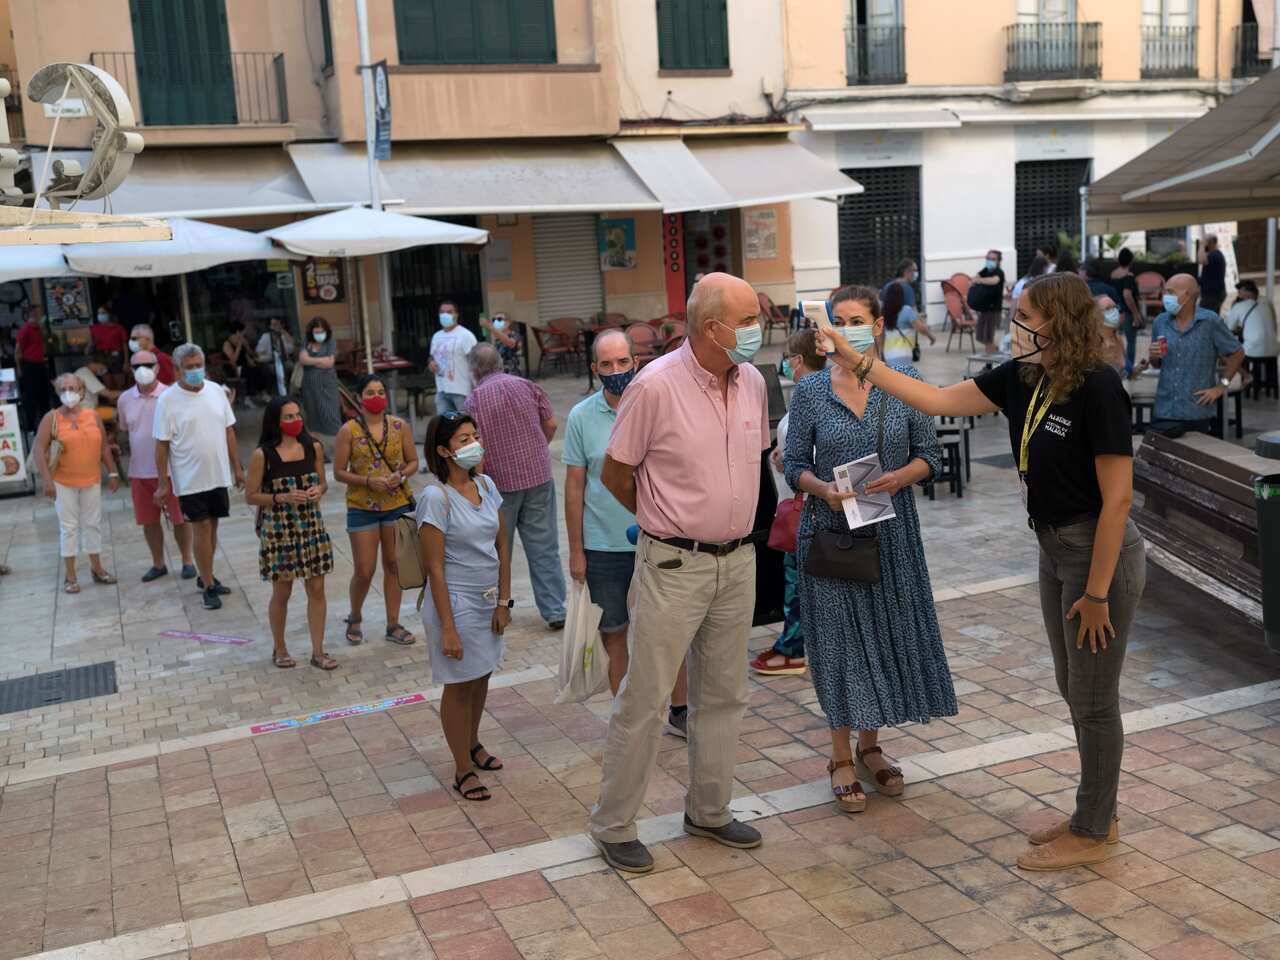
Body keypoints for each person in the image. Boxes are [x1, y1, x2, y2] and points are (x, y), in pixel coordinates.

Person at [816, 272, 1146, 871]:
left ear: (1058, 323)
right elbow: (939, 400)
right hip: (1053, 550)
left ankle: (1095, 829)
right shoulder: (1026, 378)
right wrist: (856, 362)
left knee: (1095, 700)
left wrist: (1098, 592)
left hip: (1098, 555)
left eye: (1026, 315)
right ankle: (1094, 810)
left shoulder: (1098, 388)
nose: (1016, 325)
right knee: (1075, 690)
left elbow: (1118, 502)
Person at [588, 272, 769, 874]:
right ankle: (614, 825)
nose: (755, 330)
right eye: (746, 320)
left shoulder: (755, 383)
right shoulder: (654, 386)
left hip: (737, 560)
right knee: (646, 697)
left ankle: (710, 810)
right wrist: (662, 521)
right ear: (710, 326)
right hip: (672, 562)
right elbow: (617, 473)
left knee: (724, 694)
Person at [786, 286, 954, 814]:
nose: (844, 328)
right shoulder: (812, 390)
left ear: (878, 326)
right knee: (838, 645)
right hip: (829, 534)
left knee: (883, 638)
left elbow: (932, 456)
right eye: (837, 320)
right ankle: (839, 755)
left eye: (856, 320)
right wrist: (823, 491)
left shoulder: (907, 385)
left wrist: (898, 478)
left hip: (892, 533)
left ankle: (870, 747)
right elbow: (792, 466)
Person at [563, 330, 690, 729]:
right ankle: (627, 719)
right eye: (606, 364)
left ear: (635, 361)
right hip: (604, 545)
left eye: (622, 362)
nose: (616, 371)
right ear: (594, 369)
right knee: (615, 632)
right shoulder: (581, 417)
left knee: (668, 634)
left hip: (661, 538)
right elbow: (574, 486)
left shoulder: (659, 402)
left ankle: (680, 709)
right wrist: (577, 550)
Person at [416, 413, 512, 801]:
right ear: (443, 450)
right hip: (455, 604)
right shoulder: (434, 498)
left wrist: (505, 601)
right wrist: (449, 627)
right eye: (463, 439)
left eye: (475, 435)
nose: (474, 443)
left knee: (481, 676)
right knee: (458, 685)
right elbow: (435, 569)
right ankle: (461, 769)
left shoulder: (486, 485)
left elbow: (503, 546)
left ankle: (471, 743)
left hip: (488, 599)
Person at [464, 344, 566, 630]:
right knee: (544, 547)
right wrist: (537, 448)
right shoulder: (528, 386)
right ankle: (555, 609)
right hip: (538, 477)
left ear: (474, 370)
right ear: (500, 363)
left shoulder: (473, 401)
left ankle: (497, 608)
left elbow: (474, 446)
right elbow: (551, 424)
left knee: (497, 551)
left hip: (499, 486)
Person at [751, 329, 826, 677]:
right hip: (804, 503)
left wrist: (789, 461)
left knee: (797, 580)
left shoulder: (809, 396)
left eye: (787, 355)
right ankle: (797, 643)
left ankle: (793, 648)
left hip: (805, 507)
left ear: (796, 360)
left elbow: (818, 451)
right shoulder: (823, 389)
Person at [245, 397, 337, 671]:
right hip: (279, 531)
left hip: (311, 526)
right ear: (276, 421)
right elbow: (251, 496)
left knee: (317, 588)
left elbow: (322, 483)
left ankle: (318, 650)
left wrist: (317, 491)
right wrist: (281, 497)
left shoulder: (313, 447)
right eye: (288, 416)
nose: (295, 420)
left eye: (297, 414)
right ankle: (280, 647)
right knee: (282, 590)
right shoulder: (263, 454)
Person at [153, 344, 246, 610]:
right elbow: (162, 445)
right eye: (189, 367)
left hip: (217, 474)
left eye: (198, 366)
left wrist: (237, 468)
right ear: (177, 369)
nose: (195, 372)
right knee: (201, 527)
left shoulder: (216, 391)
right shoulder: (167, 401)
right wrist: (162, 482)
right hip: (189, 478)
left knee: (213, 526)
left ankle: (207, 574)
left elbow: (229, 431)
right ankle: (207, 585)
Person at [333, 374, 419, 646]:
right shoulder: (349, 430)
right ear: (359, 398)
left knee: (394, 565)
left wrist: (401, 476)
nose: (376, 397)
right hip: (362, 507)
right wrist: (368, 481)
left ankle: (393, 623)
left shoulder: (399, 425)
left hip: (396, 504)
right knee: (364, 569)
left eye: (380, 391)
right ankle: (355, 615)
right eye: (370, 392)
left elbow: (413, 461)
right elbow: (338, 472)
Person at [34, 373, 120, 593]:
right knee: (69, 528)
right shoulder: (51, 418)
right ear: (58, 393)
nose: (68, 393)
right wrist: (47, 481)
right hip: (63, 481)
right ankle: (70, 576)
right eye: (63, 389)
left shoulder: (93, 415)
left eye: (72, 388)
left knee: (93, 523)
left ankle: (97, 568)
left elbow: (103, 447)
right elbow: (39, 450)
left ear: (82, 392)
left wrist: (112, 472)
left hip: (91, 479)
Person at [117, 350, 196, 582]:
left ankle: (187, 561)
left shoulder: (172, 395)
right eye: (137, 365)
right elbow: (125, 429)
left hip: (173, 471)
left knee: (180, 518)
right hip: (140, 472)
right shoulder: (124, 399)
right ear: (130, 370)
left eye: (148, 364)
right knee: (149, 521)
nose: (143, 369)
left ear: (158, 367)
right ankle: (158, 563)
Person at [1149, 273, 1246, 436]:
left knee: (1195, 457)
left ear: (1187, 295)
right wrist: (1154, 356)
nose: (1165, 296)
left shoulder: (1210, 321)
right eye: (1165, 291)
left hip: (1197, 410)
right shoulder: (1160, 322)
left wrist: (1221, 386)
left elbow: (1237, 353)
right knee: (1161, 458)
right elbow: (1156, 363)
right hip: (1164, 410)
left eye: (1170, 292)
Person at [298, 317, 343, 440]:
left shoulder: (330, 343)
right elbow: (302, 360)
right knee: (312, 416)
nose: (319, 335)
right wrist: (321, 361)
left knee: (331, 414)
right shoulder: (306, 341)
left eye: (321, 332)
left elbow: (329, 363)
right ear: (311, 332)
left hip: (327, 386)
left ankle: (338, 443)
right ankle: (317, 446)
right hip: (310, 387)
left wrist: (311, 361)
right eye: (316, 332)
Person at [429, 301, 478, 414]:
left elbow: (476, 362)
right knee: (446, 426)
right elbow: (431, 356)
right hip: (442, 390)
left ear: (456, 314)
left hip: (462, 392)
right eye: (442, 312)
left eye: (449, 312)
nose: (445, 315)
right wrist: (431, 362)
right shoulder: (436, 336)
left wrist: (476, 389)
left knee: (465, 426)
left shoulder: (466, 335)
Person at [1225, 280, 1279, 374]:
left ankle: (1247, 381)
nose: (1238, 294)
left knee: (1236, 355)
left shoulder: (1240, 305)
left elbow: (1229, 327)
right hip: (1274, 348)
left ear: (1247, 292)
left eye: (1240, 291)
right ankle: (1266, 384)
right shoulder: (1266, 303)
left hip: (1254, 350)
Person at [15, 305, 52, 432]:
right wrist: (19, 368)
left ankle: (46, 424)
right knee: (31, 397)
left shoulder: (39, 329)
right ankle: (29, 426)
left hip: (40, 364)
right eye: (40, 312)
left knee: (44, 395)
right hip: (30, 366)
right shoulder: (25, 329)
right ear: (33, 314)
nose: (42, 315)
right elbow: (18, 351)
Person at [970, 249, 1006, 354]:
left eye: (993, 259)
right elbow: (976, 277)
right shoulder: (986, 270)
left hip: (993, 310)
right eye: (988, 258)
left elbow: (994, 280)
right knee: (980, 336)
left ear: (998, 261)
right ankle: (997, 351)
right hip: (984, 309)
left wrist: (979, 280)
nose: (990, 261)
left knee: (988, 337)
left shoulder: (999, 272)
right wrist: (976, 279)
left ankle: (990, 363)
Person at [222, 321, 268, 402]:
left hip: (245, 365)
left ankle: (263, 393)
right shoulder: (227, 344)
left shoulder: (243, 340)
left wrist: (247, 346)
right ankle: (248, 397)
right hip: (234, 368)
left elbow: (250, 353)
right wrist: (239, 346)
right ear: (238, 332)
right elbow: (233, 360)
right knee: (249, 372)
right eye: (243, 332)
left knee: (258, 369)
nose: (245, 333)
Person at [73, 354, 122, 422]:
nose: (104, 370)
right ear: (94, 363)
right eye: (103, 367)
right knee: (119, 413)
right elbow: (109, 394)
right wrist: (129, 392)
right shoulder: (85, 374)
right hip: (85, 412)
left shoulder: (83, 372)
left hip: (85, 409)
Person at [255, 317, 295, 397]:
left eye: (278, 324)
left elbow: (293, 346)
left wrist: (283, 332)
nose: (277, 326)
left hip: (284, 361)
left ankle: (291, 391)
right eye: (274, 324)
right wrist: (271, 355)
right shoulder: (266, 337)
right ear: (270, 326)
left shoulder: (283, 335)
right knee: (273, 370)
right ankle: (272, 393)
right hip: (271, 362)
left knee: (293, 367)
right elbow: (258, 352)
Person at [480, 312, 523, 376]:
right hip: (500, 375)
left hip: (512, 375)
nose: (496, 322)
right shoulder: (497, 340)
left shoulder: (515, 335)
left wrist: (490, 327)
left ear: (508, 322)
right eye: (494, 320)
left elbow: (510, 344)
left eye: (499, 319)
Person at [1197, 234, 1228, 314]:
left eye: (1205, 242)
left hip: (1212, 295)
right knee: (1212, 317)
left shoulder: (1214, 255)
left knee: (1202, 316)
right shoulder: (1216, 254)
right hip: (1216, 293)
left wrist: (1201, 246)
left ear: (1210, 243)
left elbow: (1201, 260)